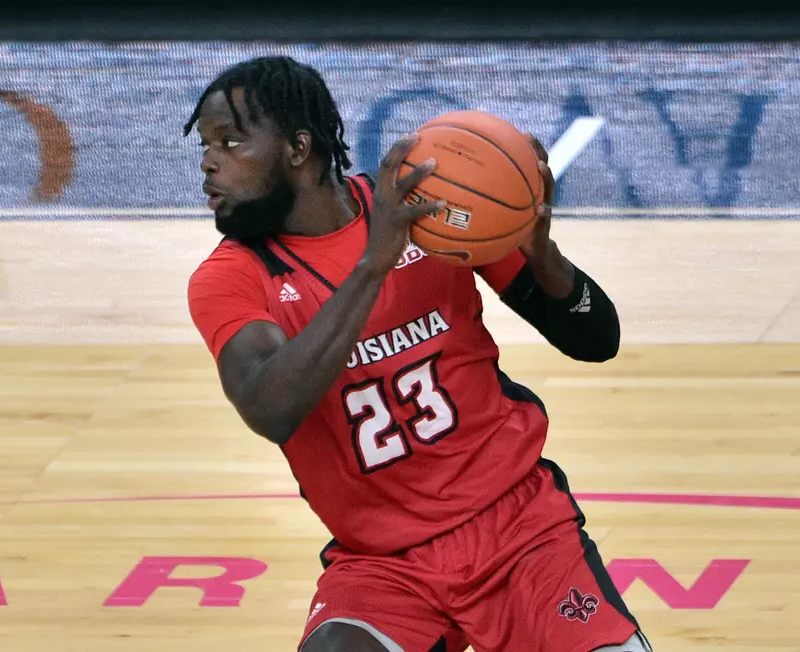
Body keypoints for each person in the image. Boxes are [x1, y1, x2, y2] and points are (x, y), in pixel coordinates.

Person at [185, 55, 651, 652]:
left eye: (230, 142)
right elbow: (269, 407)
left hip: (519, 528)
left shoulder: (431, 217)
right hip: (383, 563)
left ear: (298, 149)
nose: (209, 162)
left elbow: (596, 340)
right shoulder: (231, 279)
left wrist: (541, 254)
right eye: (205, 144)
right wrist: (373, 263)